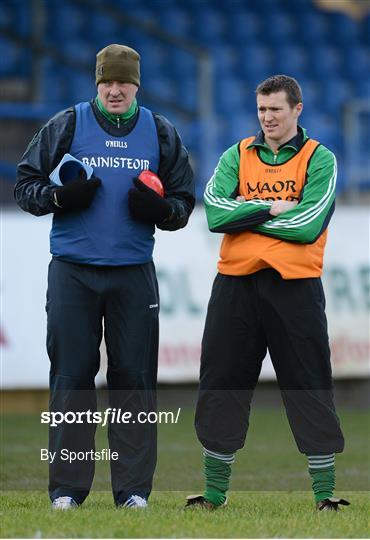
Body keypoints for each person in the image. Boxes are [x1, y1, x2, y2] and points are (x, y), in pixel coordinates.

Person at [15, 44, 194, 510]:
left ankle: (133, 491)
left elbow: (183, 204)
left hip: (133, 274)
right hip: (73, 273)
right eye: (106, 82)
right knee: (72, 378)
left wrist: (160, 210)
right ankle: (67, 492)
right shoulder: (68, 124)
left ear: (137, 85)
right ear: (97, 84)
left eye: (123, 82)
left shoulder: (160, 131)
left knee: (133, 381)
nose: (114, 90)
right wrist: (60, 197)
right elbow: (25, 185)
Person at [186, 75, 349, 512]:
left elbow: (309, 224)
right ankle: (214, 495)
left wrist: (247, 215)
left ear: (297, 109)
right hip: (235, 286)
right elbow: (216, 213)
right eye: (261, 109)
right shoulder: (236, 154)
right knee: (221, 382)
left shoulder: (321, 160)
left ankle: (324, 496)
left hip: (295, 289)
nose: (267, 117)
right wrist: (270, 207)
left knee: (307, 383)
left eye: (275, 109)